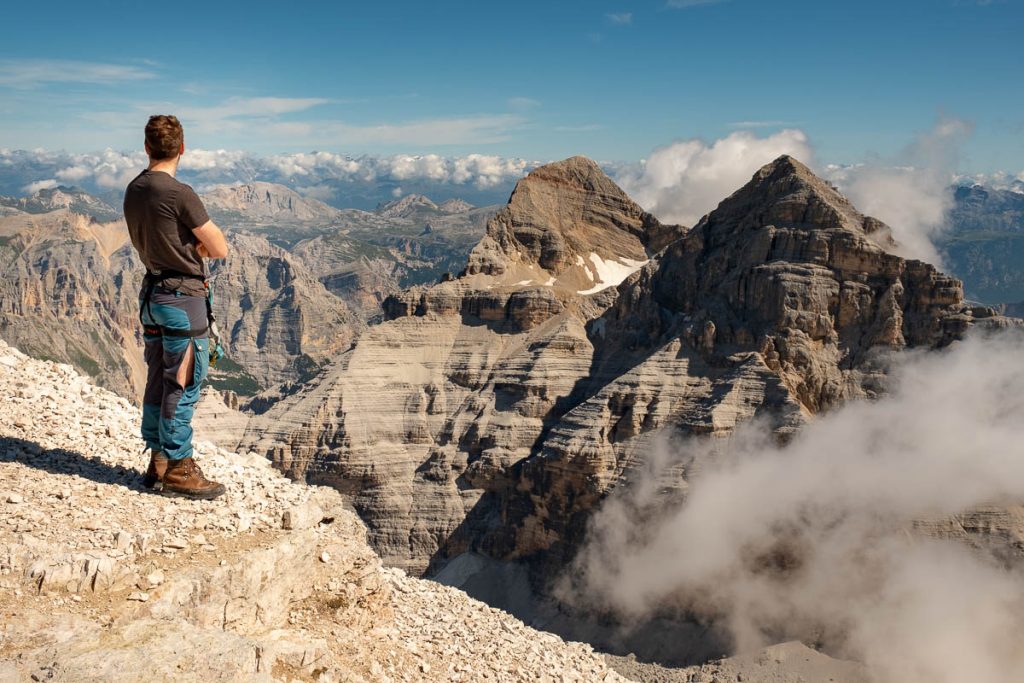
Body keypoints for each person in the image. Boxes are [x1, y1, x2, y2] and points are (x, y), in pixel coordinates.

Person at [123, 114, 229, 499]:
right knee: (182, 384)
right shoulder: (180, 193)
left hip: (151, 296)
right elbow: (219, 248)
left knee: (157, 379)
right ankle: (180, 468)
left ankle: (158, 462)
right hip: (182, 301)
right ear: (182, 148)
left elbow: (150, 237)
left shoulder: (134, 189)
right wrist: (194, 248)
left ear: (147, 147)